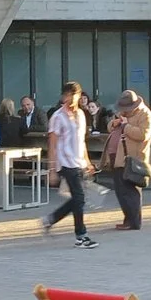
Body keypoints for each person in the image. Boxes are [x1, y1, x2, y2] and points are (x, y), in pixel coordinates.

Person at [42, 81, 96, 248]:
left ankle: (51, 219)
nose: (71, 99)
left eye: (74, 95)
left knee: (78, 199)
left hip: (79, 161)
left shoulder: (81, 114)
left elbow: (82, 141)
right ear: (63, 96)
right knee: (79, 198)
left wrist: (87, 161)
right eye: (67, 95)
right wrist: (52, 170)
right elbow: (52, 144)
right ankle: (81, 235)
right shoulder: (57, 117)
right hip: (65, 162)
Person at [104, 89, 151, 231]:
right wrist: (114, 124)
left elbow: (143, 134)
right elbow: (109, 127)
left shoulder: (145, 115)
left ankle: (134, 221)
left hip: (132, 158)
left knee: (130, 191)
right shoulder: (123, 113)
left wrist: (126, 126)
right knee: (121, 190)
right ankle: (128, 219)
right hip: (117, 156)